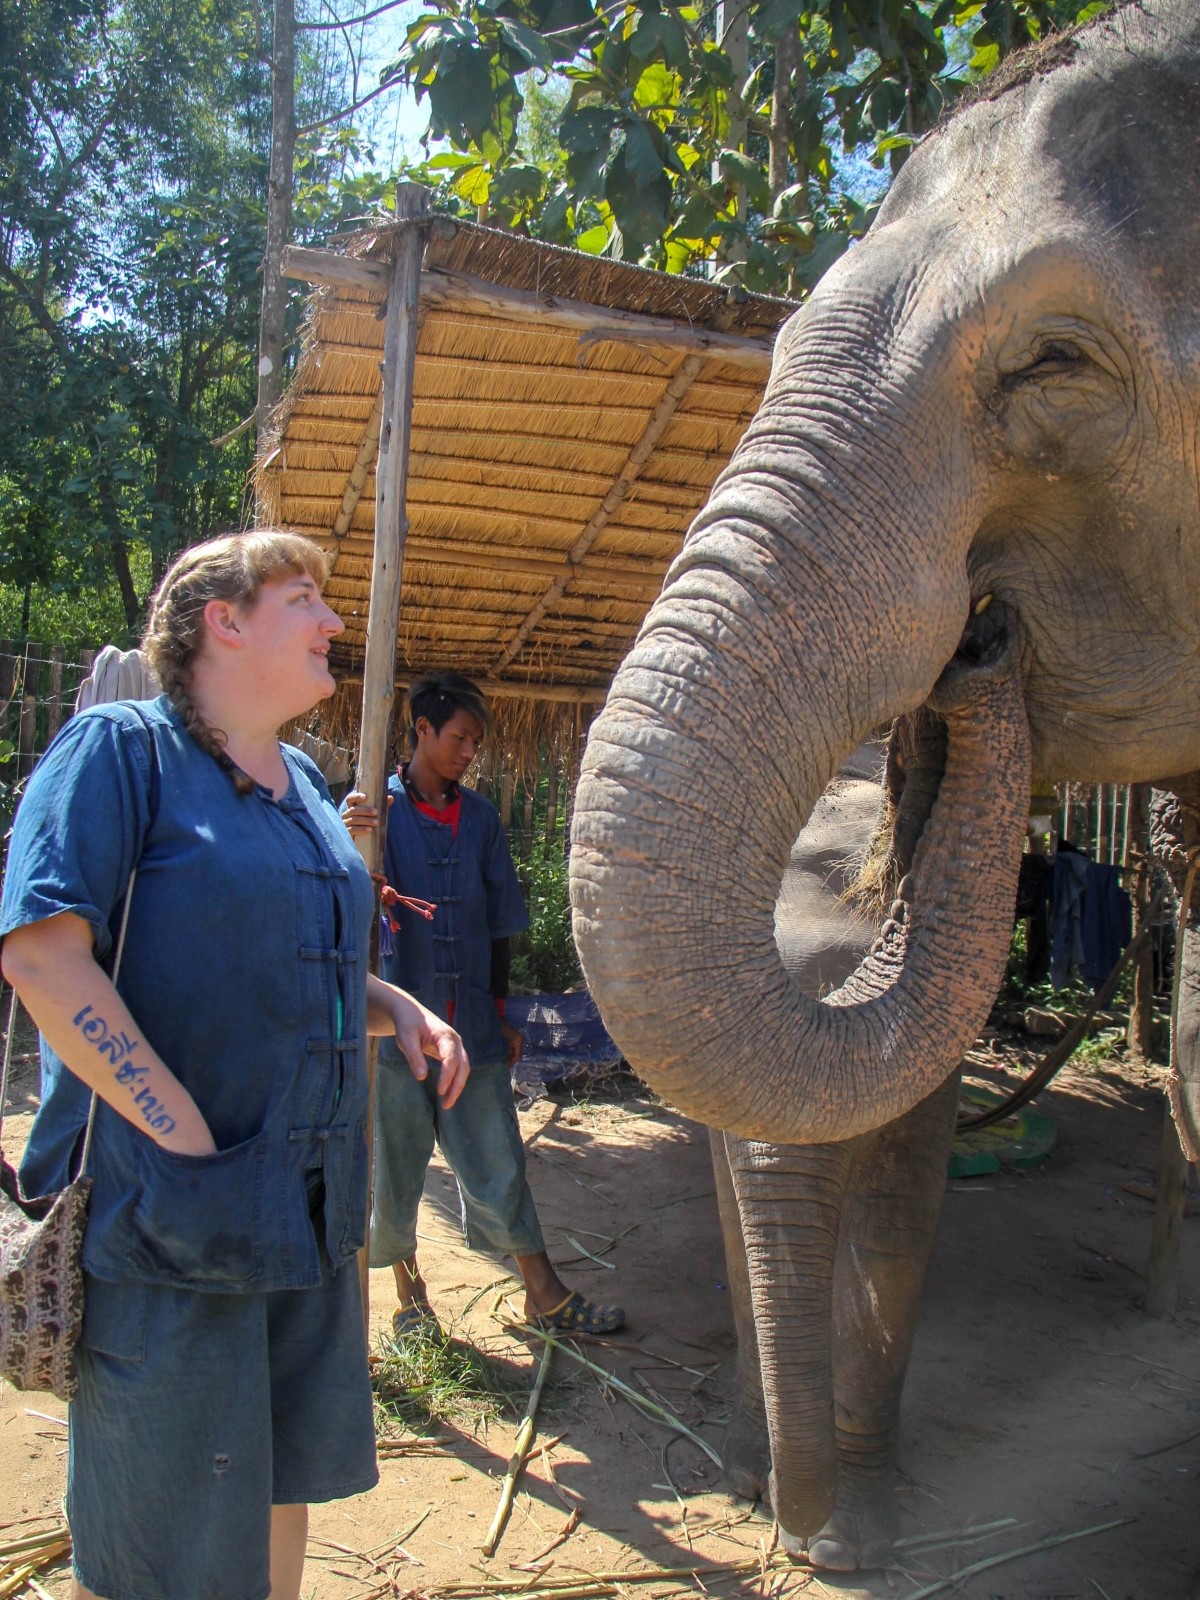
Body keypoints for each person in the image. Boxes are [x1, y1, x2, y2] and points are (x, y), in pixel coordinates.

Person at [0, 532, 468, 1600]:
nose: (334, 622)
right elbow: (42, 954)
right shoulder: (123, 752)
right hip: (173, 1212)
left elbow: (301, 971)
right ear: (223, 618)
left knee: (273, 1483)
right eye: (304, 598)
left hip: (306, 1212)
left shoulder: (301, 781)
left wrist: (398, 1009)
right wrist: (180, 1132)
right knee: (161, 1527)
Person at [342, 671, 624, 1339]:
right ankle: (411, 1301)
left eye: (476, 742)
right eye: (460, 738)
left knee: (499, 1153)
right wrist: (348, 843)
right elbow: (333, 905)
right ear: (422, 731)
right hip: (391, 1030)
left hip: (470, 1024)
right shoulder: (370, 816)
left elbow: (500, 923)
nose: (470, 752)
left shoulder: (484, 820)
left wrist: (499, 1014)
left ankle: (543, 1291)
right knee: (394, 1165)